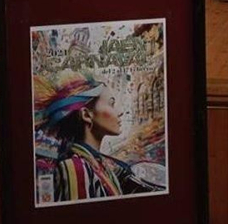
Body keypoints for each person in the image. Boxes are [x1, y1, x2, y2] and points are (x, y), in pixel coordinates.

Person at [34, 72, 146, 201]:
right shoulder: (76, 168)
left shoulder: (101, 164)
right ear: (87, 115)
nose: (120, 112)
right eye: (111, 104)